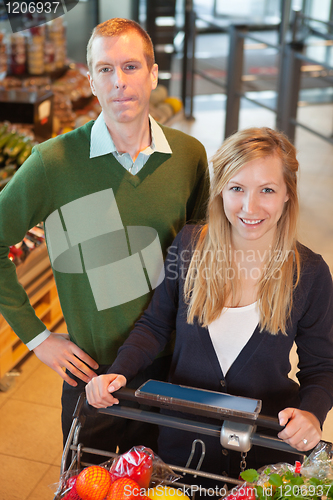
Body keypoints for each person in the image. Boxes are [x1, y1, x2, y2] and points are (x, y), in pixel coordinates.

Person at [0, 18, 209, 457]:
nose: (119, 82)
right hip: (92, 375)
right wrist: (37, 337)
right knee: (87, 483)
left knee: (163, 483)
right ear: (91, 80)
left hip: (171, 367)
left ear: (153, 74)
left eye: (131, 66)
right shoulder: (52, 162)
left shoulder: (190, 156)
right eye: (105, 69)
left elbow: (199, 257)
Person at [86, 127, 333, 479]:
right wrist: (119, 370)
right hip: (181, 448)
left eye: (267, 190)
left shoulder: (308, 274)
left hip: (265, 455)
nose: (250, 207)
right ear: (220, 192)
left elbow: (322, 366)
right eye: (237, 189)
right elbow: (155, 324)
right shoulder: (188, 248)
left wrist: (311, 413)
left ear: (287, 196)